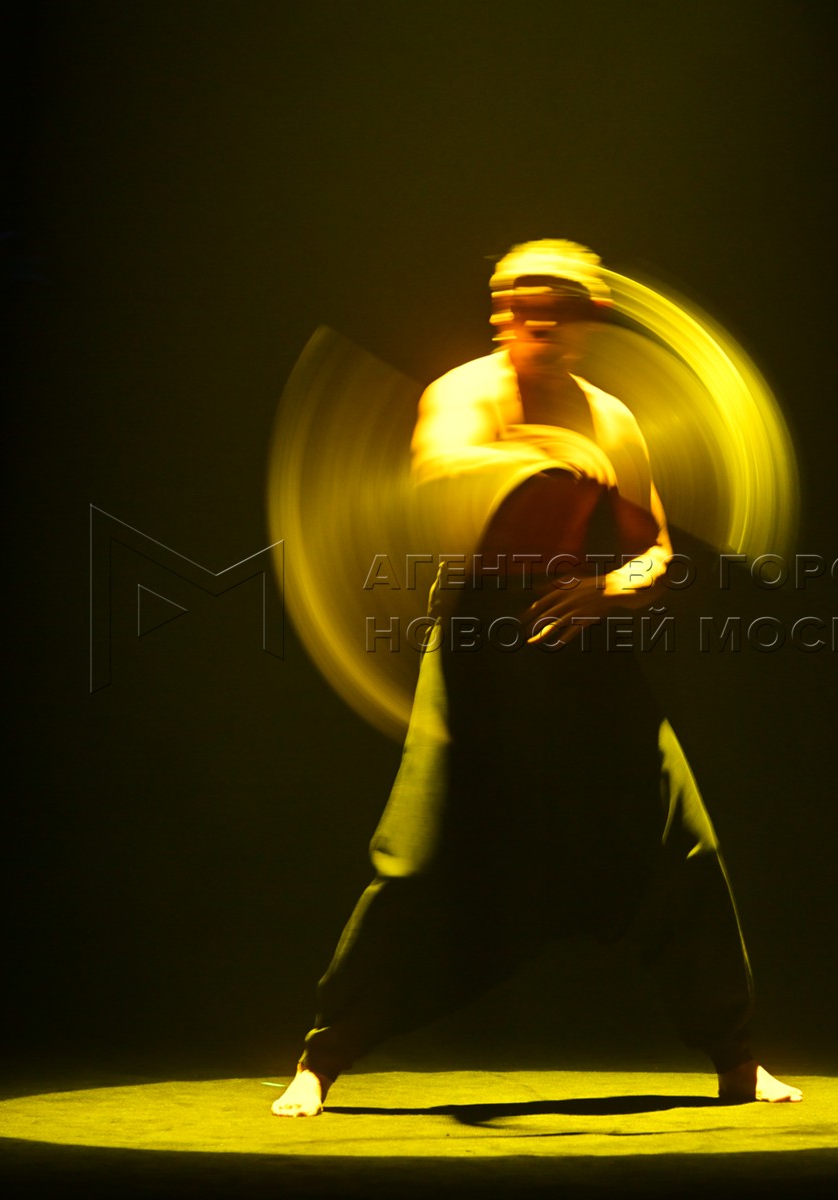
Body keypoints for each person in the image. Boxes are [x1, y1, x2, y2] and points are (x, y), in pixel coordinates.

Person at [273, 240, 800, 1117]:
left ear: (590, 318)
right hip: (481, 647)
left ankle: (736, 1058)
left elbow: (659, 552)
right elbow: (437, 470)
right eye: (519, 302)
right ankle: (321, 1060)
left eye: (556, 303)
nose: (535, 318)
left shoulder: (612, 418)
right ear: (499, 313)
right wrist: (542, 454)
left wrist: (609, 589)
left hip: (585, 640)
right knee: (419, 857)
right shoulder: (464, 395)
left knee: (684, 843)